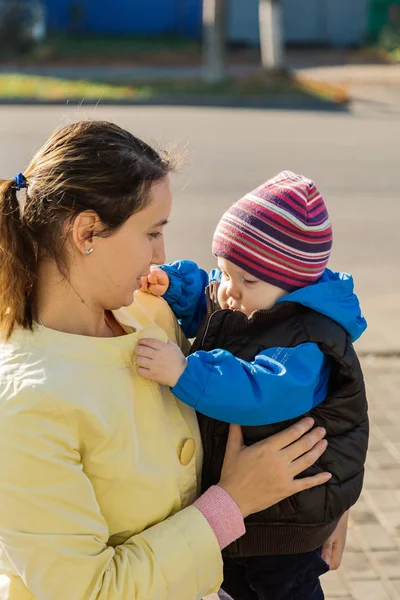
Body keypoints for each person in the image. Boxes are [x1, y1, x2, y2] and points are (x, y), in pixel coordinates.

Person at [0, 125, 332, 600]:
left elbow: (258, 393)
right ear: (86, 232)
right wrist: (232, 504)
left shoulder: (145, 310)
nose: (162, 254)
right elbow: (88, 591)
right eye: (152, 232)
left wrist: (327, 507)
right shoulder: (24, 405)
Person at [137, 171, 369, 600]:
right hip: (252, 510)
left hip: (283, 525)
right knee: (234, 588)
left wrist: (184, 372)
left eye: (247, 281)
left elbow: (260, 393)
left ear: (294, 283)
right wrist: (176, 287)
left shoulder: (305, 340)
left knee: (282, 591)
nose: (230, 290)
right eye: (227, 271)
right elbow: (211, 304)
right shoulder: (252, 298)